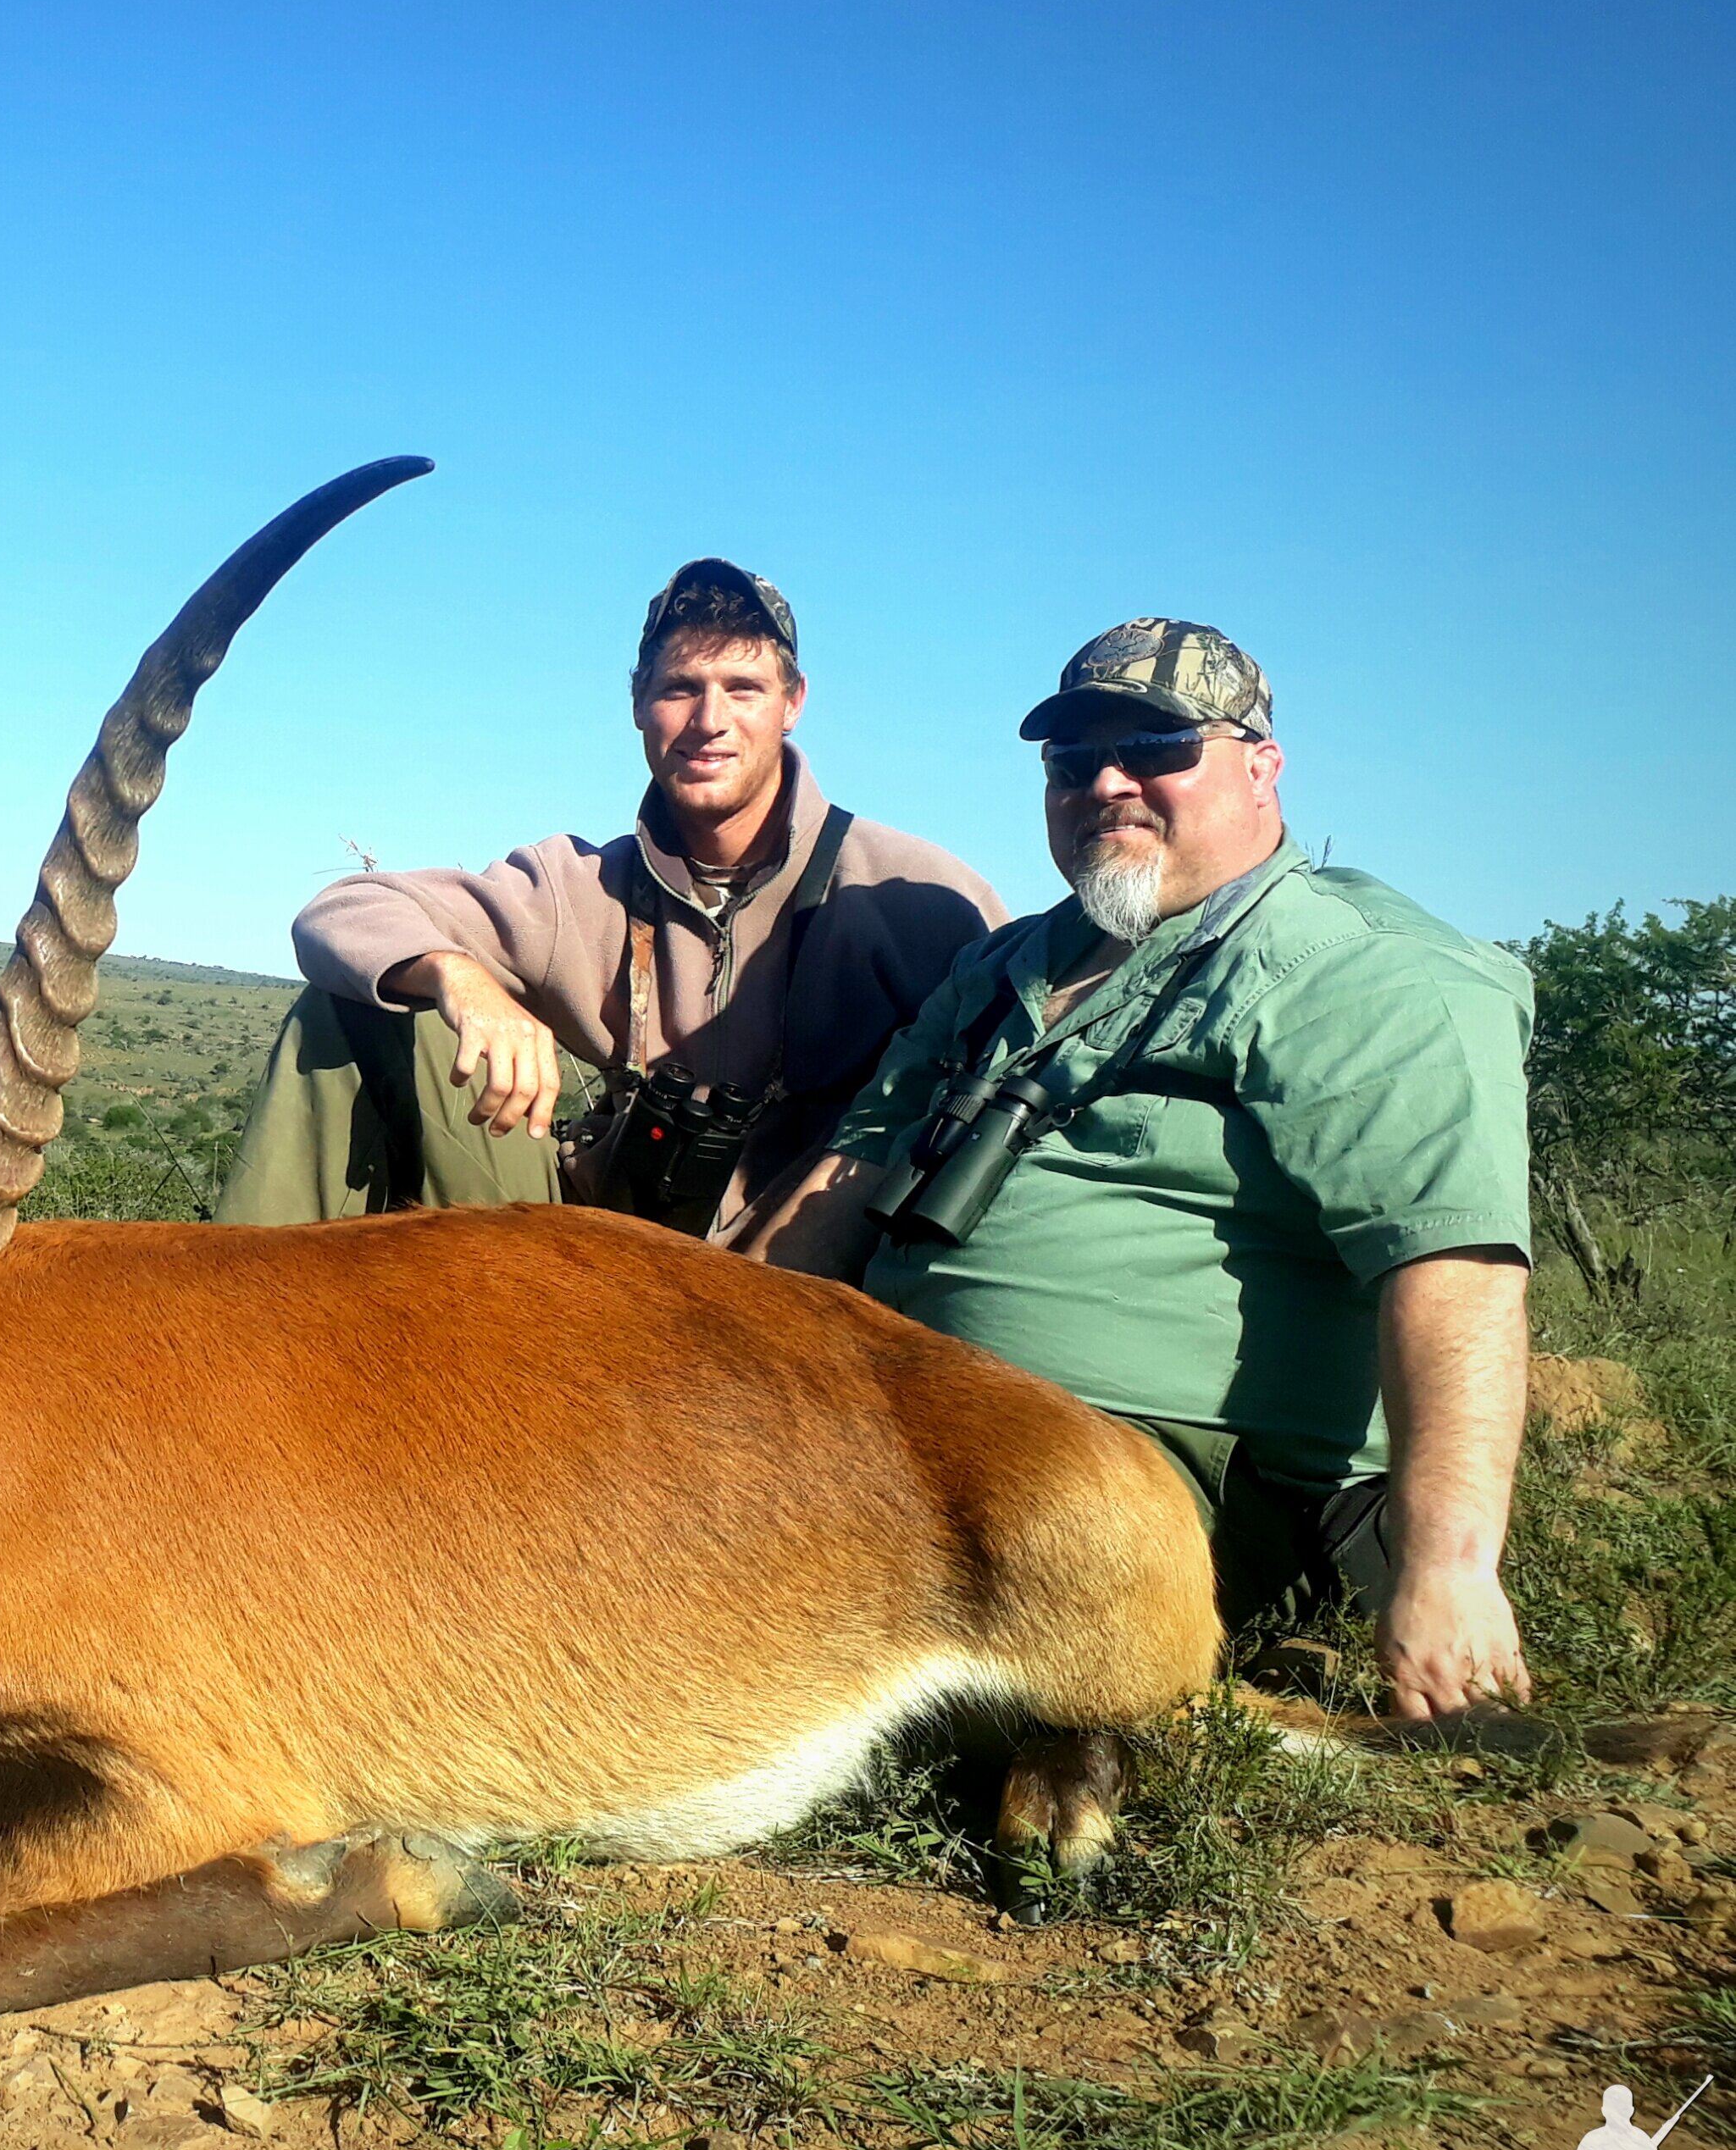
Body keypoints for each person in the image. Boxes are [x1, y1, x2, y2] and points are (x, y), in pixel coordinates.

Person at [746, 620, 1534, 1721]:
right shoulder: (1006, 962)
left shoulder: (1364, 972)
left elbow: (1452, 1269)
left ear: (1261, 765)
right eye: (1070, 762)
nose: (1105, 783)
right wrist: (697, 1355)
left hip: (1149, 1482)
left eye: (1158, 750)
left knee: (764, 1633)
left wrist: (1448, 1572)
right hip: (914, 1418)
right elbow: (848, 1173)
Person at [217, 559, 1003, 1234]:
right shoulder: (581, 886)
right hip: (601, 1255)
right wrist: (464, 981)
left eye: (744, 688)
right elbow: (341, 912)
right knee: (355, 1007)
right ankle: (234, 1353)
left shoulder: (916, 894)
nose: (709, 721)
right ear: (637, 702)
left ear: (794, 702)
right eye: (679, 688)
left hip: (807, 1272)